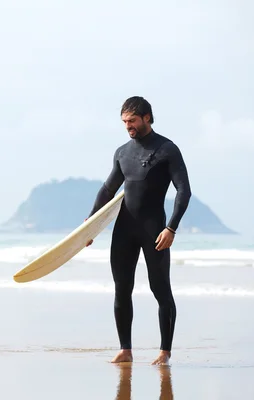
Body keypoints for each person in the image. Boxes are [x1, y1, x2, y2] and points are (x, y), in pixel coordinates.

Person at [86, 96, 191, 365]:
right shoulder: (122, 152)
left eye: (131, 120)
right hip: (124, 231)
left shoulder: (168, 149)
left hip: (155, 230)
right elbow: (108, 190)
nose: (127, 126)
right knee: (122, 288)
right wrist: (89, 227)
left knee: (160, 289)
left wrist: (171, 228)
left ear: (146, 117)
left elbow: (183, 191)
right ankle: (125, 349)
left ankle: (164, 352)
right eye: (124, 122)